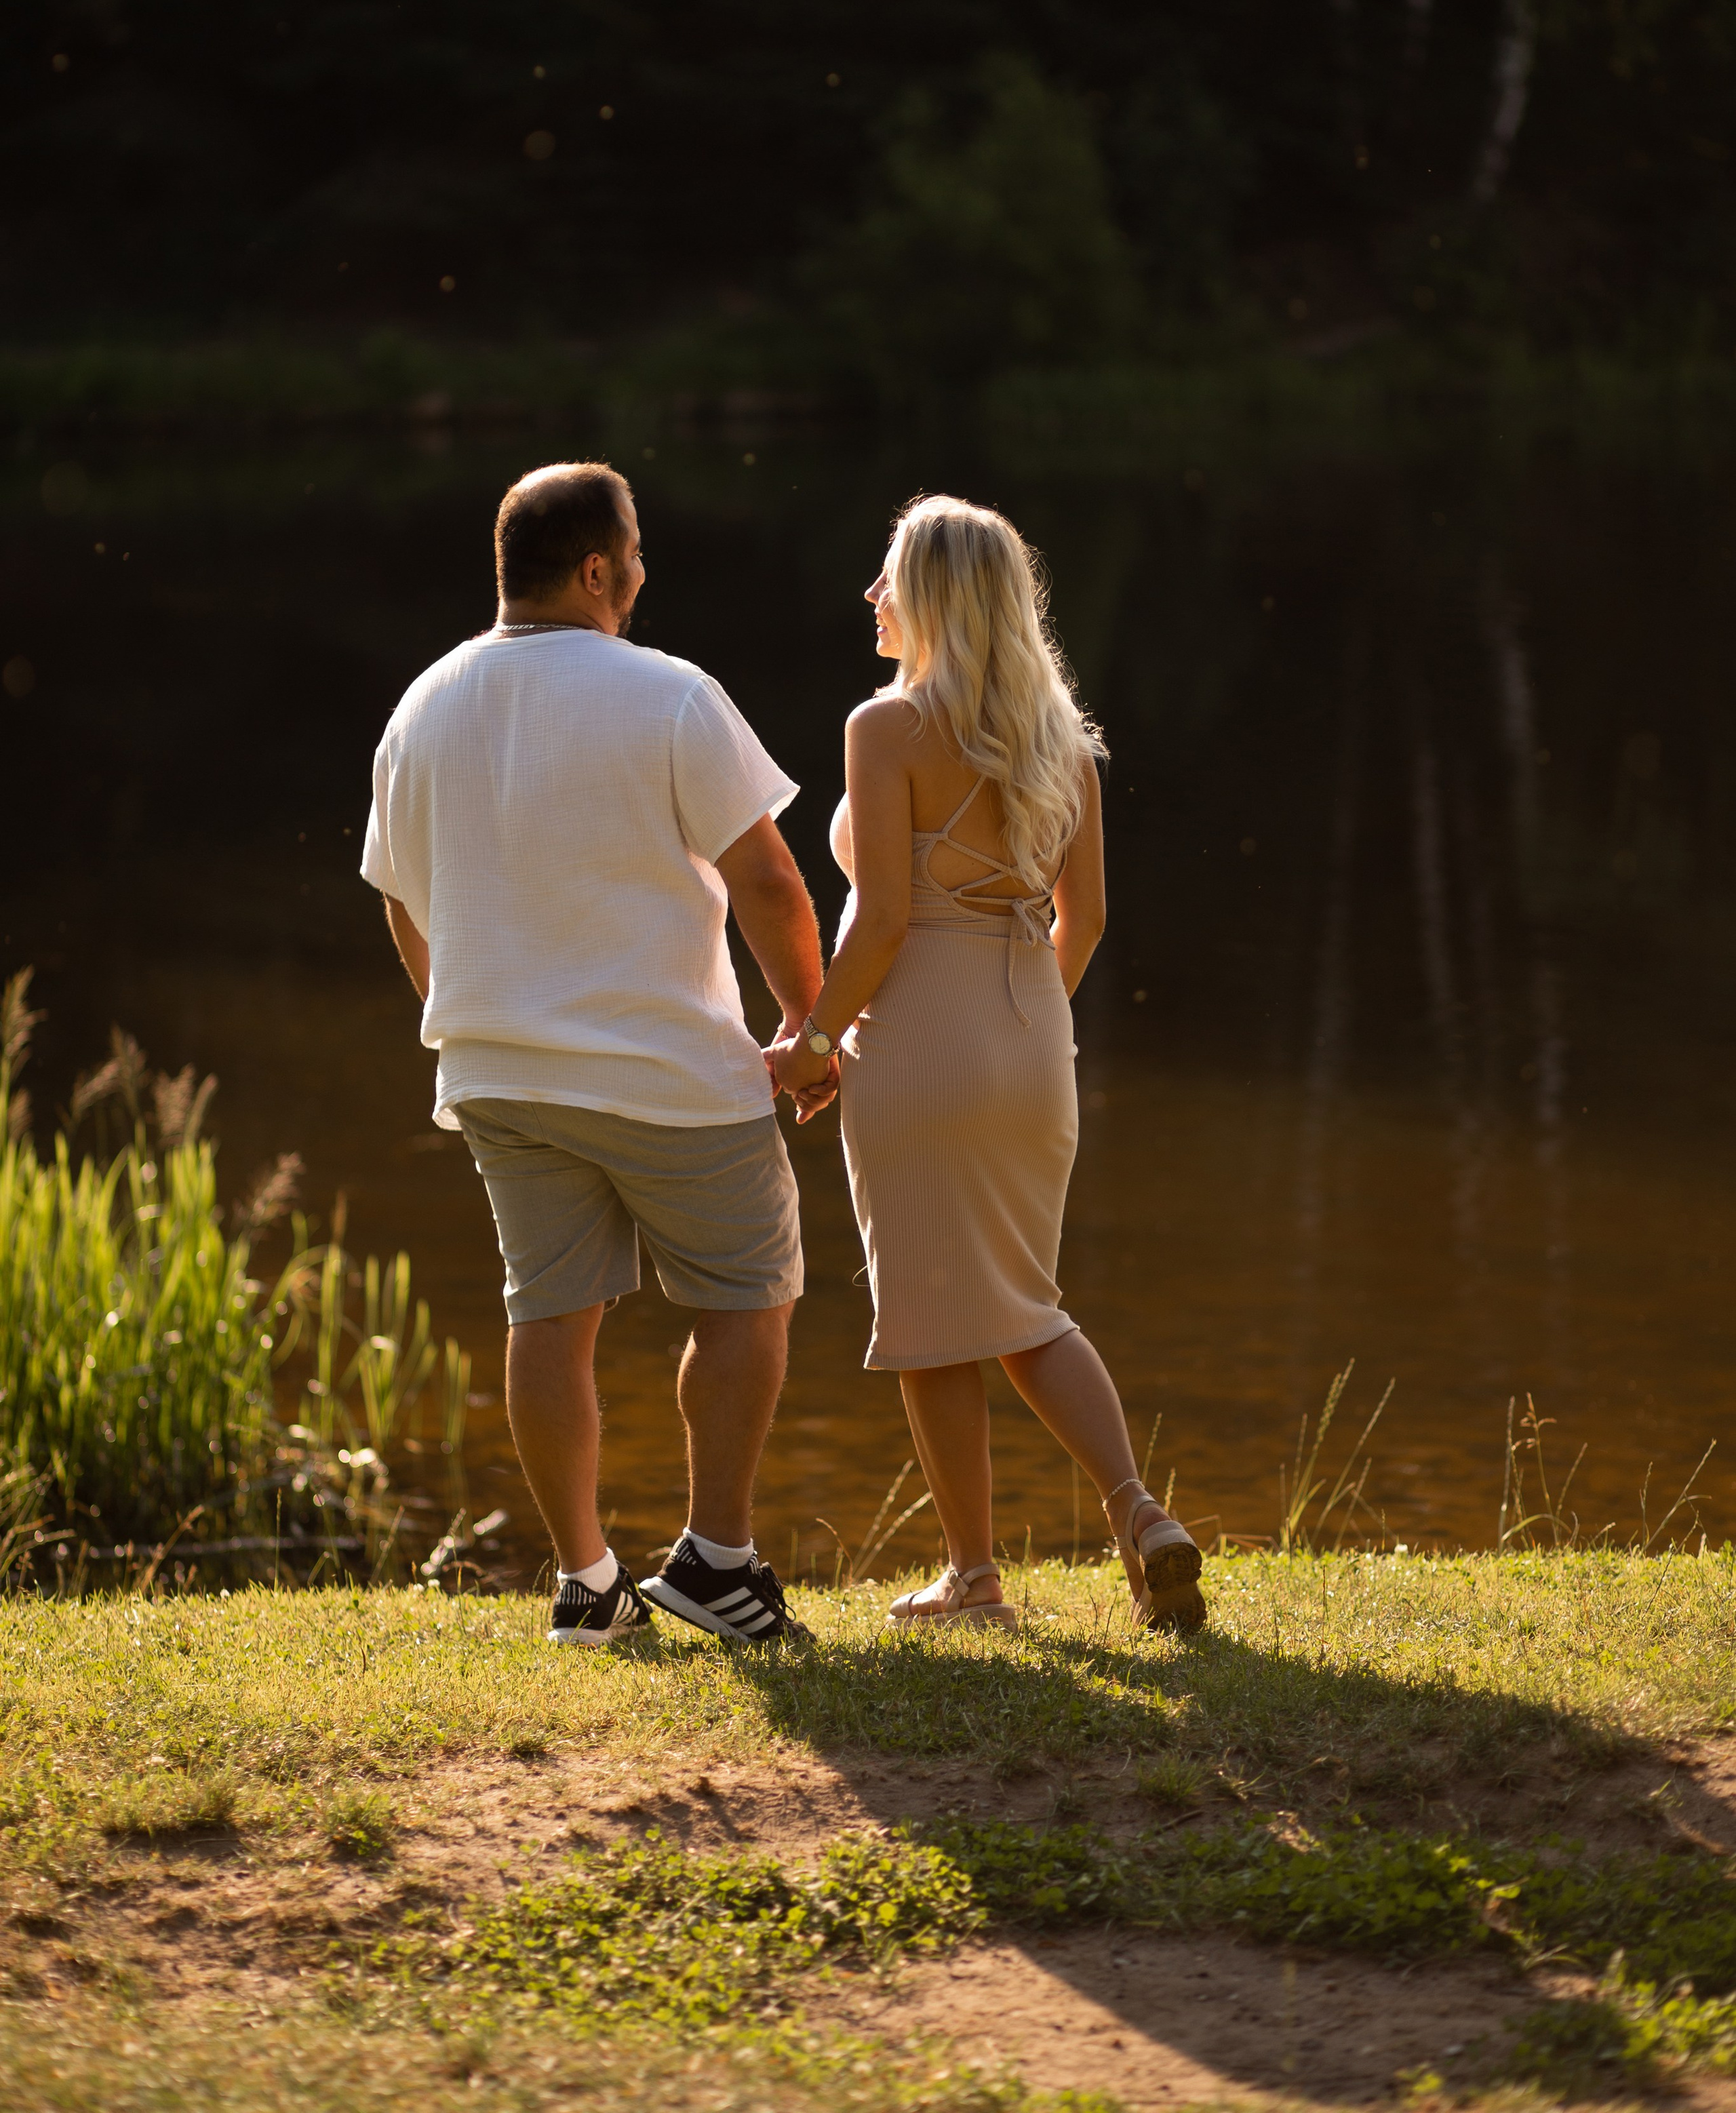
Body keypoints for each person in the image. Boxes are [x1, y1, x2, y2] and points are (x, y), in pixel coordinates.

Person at [361, 460, 835, 1646]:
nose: (641, 573)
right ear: (594, 570)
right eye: (633, 554)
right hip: (667, 1071)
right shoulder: (670, 694)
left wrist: (468, 1004)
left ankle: (586, 1582)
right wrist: (809, 1031)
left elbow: (398, 900)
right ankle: (718, 1563)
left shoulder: (421, 704)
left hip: (498, 1075)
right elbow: (771, 882)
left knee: (549, 1316)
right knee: (747, 1296)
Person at [768, 495, 1204, 1632]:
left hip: (915, 1044)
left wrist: (813, 1044)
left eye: (888, 577)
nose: (872, 596)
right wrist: (1019, 1034)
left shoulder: (886, 727)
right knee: (1026, 1307)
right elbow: (1090, 920)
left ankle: (974, 1581)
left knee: (928, 1315)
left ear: (937, 599)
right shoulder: (1066, 742)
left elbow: (884, 923)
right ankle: (1140, 1512)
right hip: (1031, 1042)